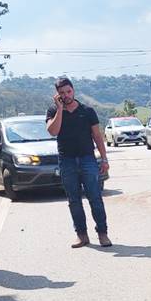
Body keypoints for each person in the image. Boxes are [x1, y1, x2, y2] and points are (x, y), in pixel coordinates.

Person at [45, 77, 111, 248]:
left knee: (95, 198)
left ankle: (102, 233)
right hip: (67, 161)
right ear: (57, 95)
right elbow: (53, 131)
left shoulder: (87, 111)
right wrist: (60, 110)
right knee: (74, 200)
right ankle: (81, 235)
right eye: (61, 93)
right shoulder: (53, 111)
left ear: (73, 90)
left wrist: (104, 158)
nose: (66, 95)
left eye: (68, 91)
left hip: (87, 159)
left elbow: (97, 136)